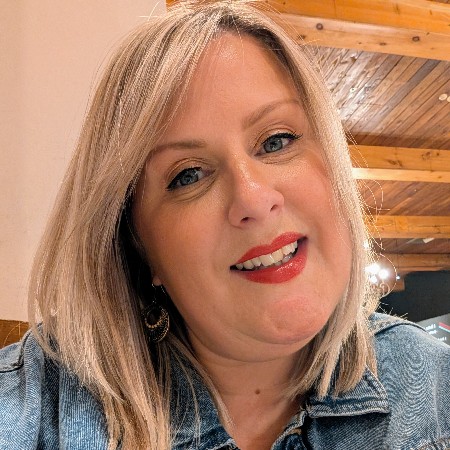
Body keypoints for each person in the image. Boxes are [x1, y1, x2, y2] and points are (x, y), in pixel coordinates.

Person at [1, 1, 449, 449]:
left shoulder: (434, 386)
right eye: (188, 175)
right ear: (137, 246)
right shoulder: (35, 409)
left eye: (276, 141)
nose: (253, 198)